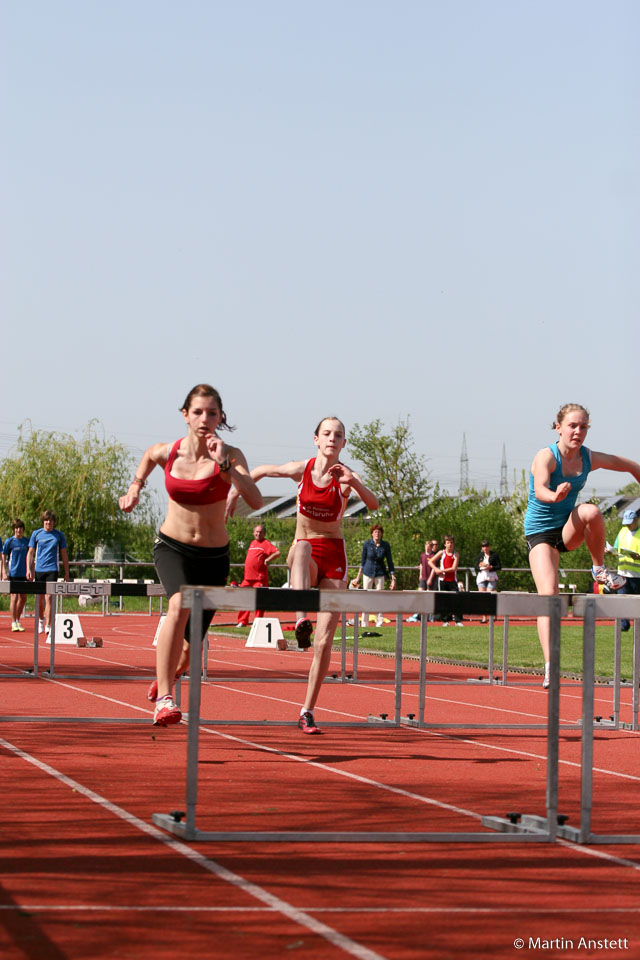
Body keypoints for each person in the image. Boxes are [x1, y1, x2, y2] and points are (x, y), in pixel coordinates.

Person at [119, 384, 263, 726]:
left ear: (220, 418)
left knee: (188, 651)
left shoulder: (231, 455)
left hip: (214, 557)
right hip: (173, 547)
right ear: (185, 414)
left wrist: (225, 464)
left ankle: (166, 674)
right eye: (198, 412)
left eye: (212, 413)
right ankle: (166, 700)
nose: (205, 418)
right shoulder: (168, 452)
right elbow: (148, 458)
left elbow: (256, 501)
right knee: (178, 604)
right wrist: (135, 487)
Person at [227, 416, 379, 734]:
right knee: (303, 548)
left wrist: (354, 480)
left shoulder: (346, 477)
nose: (332, 439)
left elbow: (373, 504)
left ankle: (307, 710)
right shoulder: (303, 469)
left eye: (338, 435)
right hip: (304, 555)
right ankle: (300, 618)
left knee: (324, 643)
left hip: (335, 557)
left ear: (343, 443)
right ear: (316, 439)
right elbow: (263, 471)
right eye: (327, 434)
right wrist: (235, 491)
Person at [525, 403, 640, 688]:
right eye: (572, 426)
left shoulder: (588, 457)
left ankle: (598, 569)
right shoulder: (546, 457)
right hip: (540, 534)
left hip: (566, 529)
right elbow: (540, 489)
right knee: (549, 595)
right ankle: (551, 664)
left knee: (590, 511)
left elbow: (629, 466)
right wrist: (555, 494)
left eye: (583, 426)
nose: (578, 431)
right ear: (559, 428)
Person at [26, 511, 69, 633]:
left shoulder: (59, 535)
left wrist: (67, 573)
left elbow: (64, 554)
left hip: (52, 569)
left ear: (54, 522)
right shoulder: (36, 534)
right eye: (46, 520)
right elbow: (30, 552)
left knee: (49, 597)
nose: (48, 522)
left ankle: (48, 625)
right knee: (39, 598)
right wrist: (28, 569)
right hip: (39, 569)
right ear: (43, 521)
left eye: (51, 520)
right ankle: (40, 620)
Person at [350, 524, 396, 627]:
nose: (377, 534)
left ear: (382, 534)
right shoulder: (367, 544)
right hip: (367, 573)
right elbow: (362, 561)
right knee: (366, 598)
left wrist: (393, 577)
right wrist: (358, 577)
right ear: (372, 534)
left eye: (379, 532)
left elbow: (389, 561)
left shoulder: (385, 545)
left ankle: (379, 623)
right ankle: (364, 623)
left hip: (380, 573)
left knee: (380, 598)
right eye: (375, 532)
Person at [236, 524, 281, 627]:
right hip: (247, 578)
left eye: (260, 532)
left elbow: (277, 552)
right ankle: (242, 621)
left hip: (259, 578)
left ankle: (257, 622)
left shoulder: (266, 543)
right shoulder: (252, 543)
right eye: (256, 532)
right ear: (253, 533)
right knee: (244, 598)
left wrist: (268, 559)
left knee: (259, 600)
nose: (258, 534)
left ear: (264, 534)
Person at [612, 508, 640, 632]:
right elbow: (616, 548)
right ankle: (623, 625)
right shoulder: (622, 531)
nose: (628, 525)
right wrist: (610, 551)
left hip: (637, 576)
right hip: (622, 573)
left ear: (636, 520)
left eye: (630, 522)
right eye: (626, 523)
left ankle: (637, 626)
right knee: (621, 600)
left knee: (636, 604)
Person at [2, 519, 30, 631]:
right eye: (16, 528)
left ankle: (17, 620)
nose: (18, 530)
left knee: (23, 598)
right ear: (14, 529)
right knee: (14, 597)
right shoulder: (10, 542)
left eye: (20, 528)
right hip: (13, 572)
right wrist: (4, 572)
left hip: (24, 573)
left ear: (23, 529)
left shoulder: (27, 542)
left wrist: (30, 571)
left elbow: (30, 557)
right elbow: (3, 557)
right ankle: (13, 622)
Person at [429, 535, 463, 625]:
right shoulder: (441, 552)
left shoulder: (456, 554)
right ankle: (445, 620)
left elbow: (453, 568)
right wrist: (436, 569)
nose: (450, 545)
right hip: (442, 580)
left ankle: (458, 620)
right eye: (448, 543)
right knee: (444, 600)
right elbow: (430, 561)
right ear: (445, 544)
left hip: (452, 580)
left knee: (456, 599)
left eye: (451, 543)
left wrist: (441, 570)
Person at [407, 538, 438, 622]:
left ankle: (429, 615)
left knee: (429, 596)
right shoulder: (422, 555)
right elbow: (421, 565)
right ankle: (419, 614)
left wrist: (430, 579)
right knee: (420, 594)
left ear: (431, 547)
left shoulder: (433, 556)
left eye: (429, 546)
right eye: (426, 546)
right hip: (423, 577)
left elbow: (433, 569)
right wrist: (420, 574)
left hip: (430, 578)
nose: (427, 548)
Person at [475, 539, 501, 622]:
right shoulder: (480, 555)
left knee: (490, 596)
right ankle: (484, 617)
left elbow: (499, 566)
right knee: (482, 597)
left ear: (489, 547)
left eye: (486, 546)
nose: (485, 548)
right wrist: (480, 566)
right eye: (483, 546)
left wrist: (491, 567)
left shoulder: (494, 555)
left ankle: (492, 616)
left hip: (491, 577)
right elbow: (475, 566)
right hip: (482, 577)